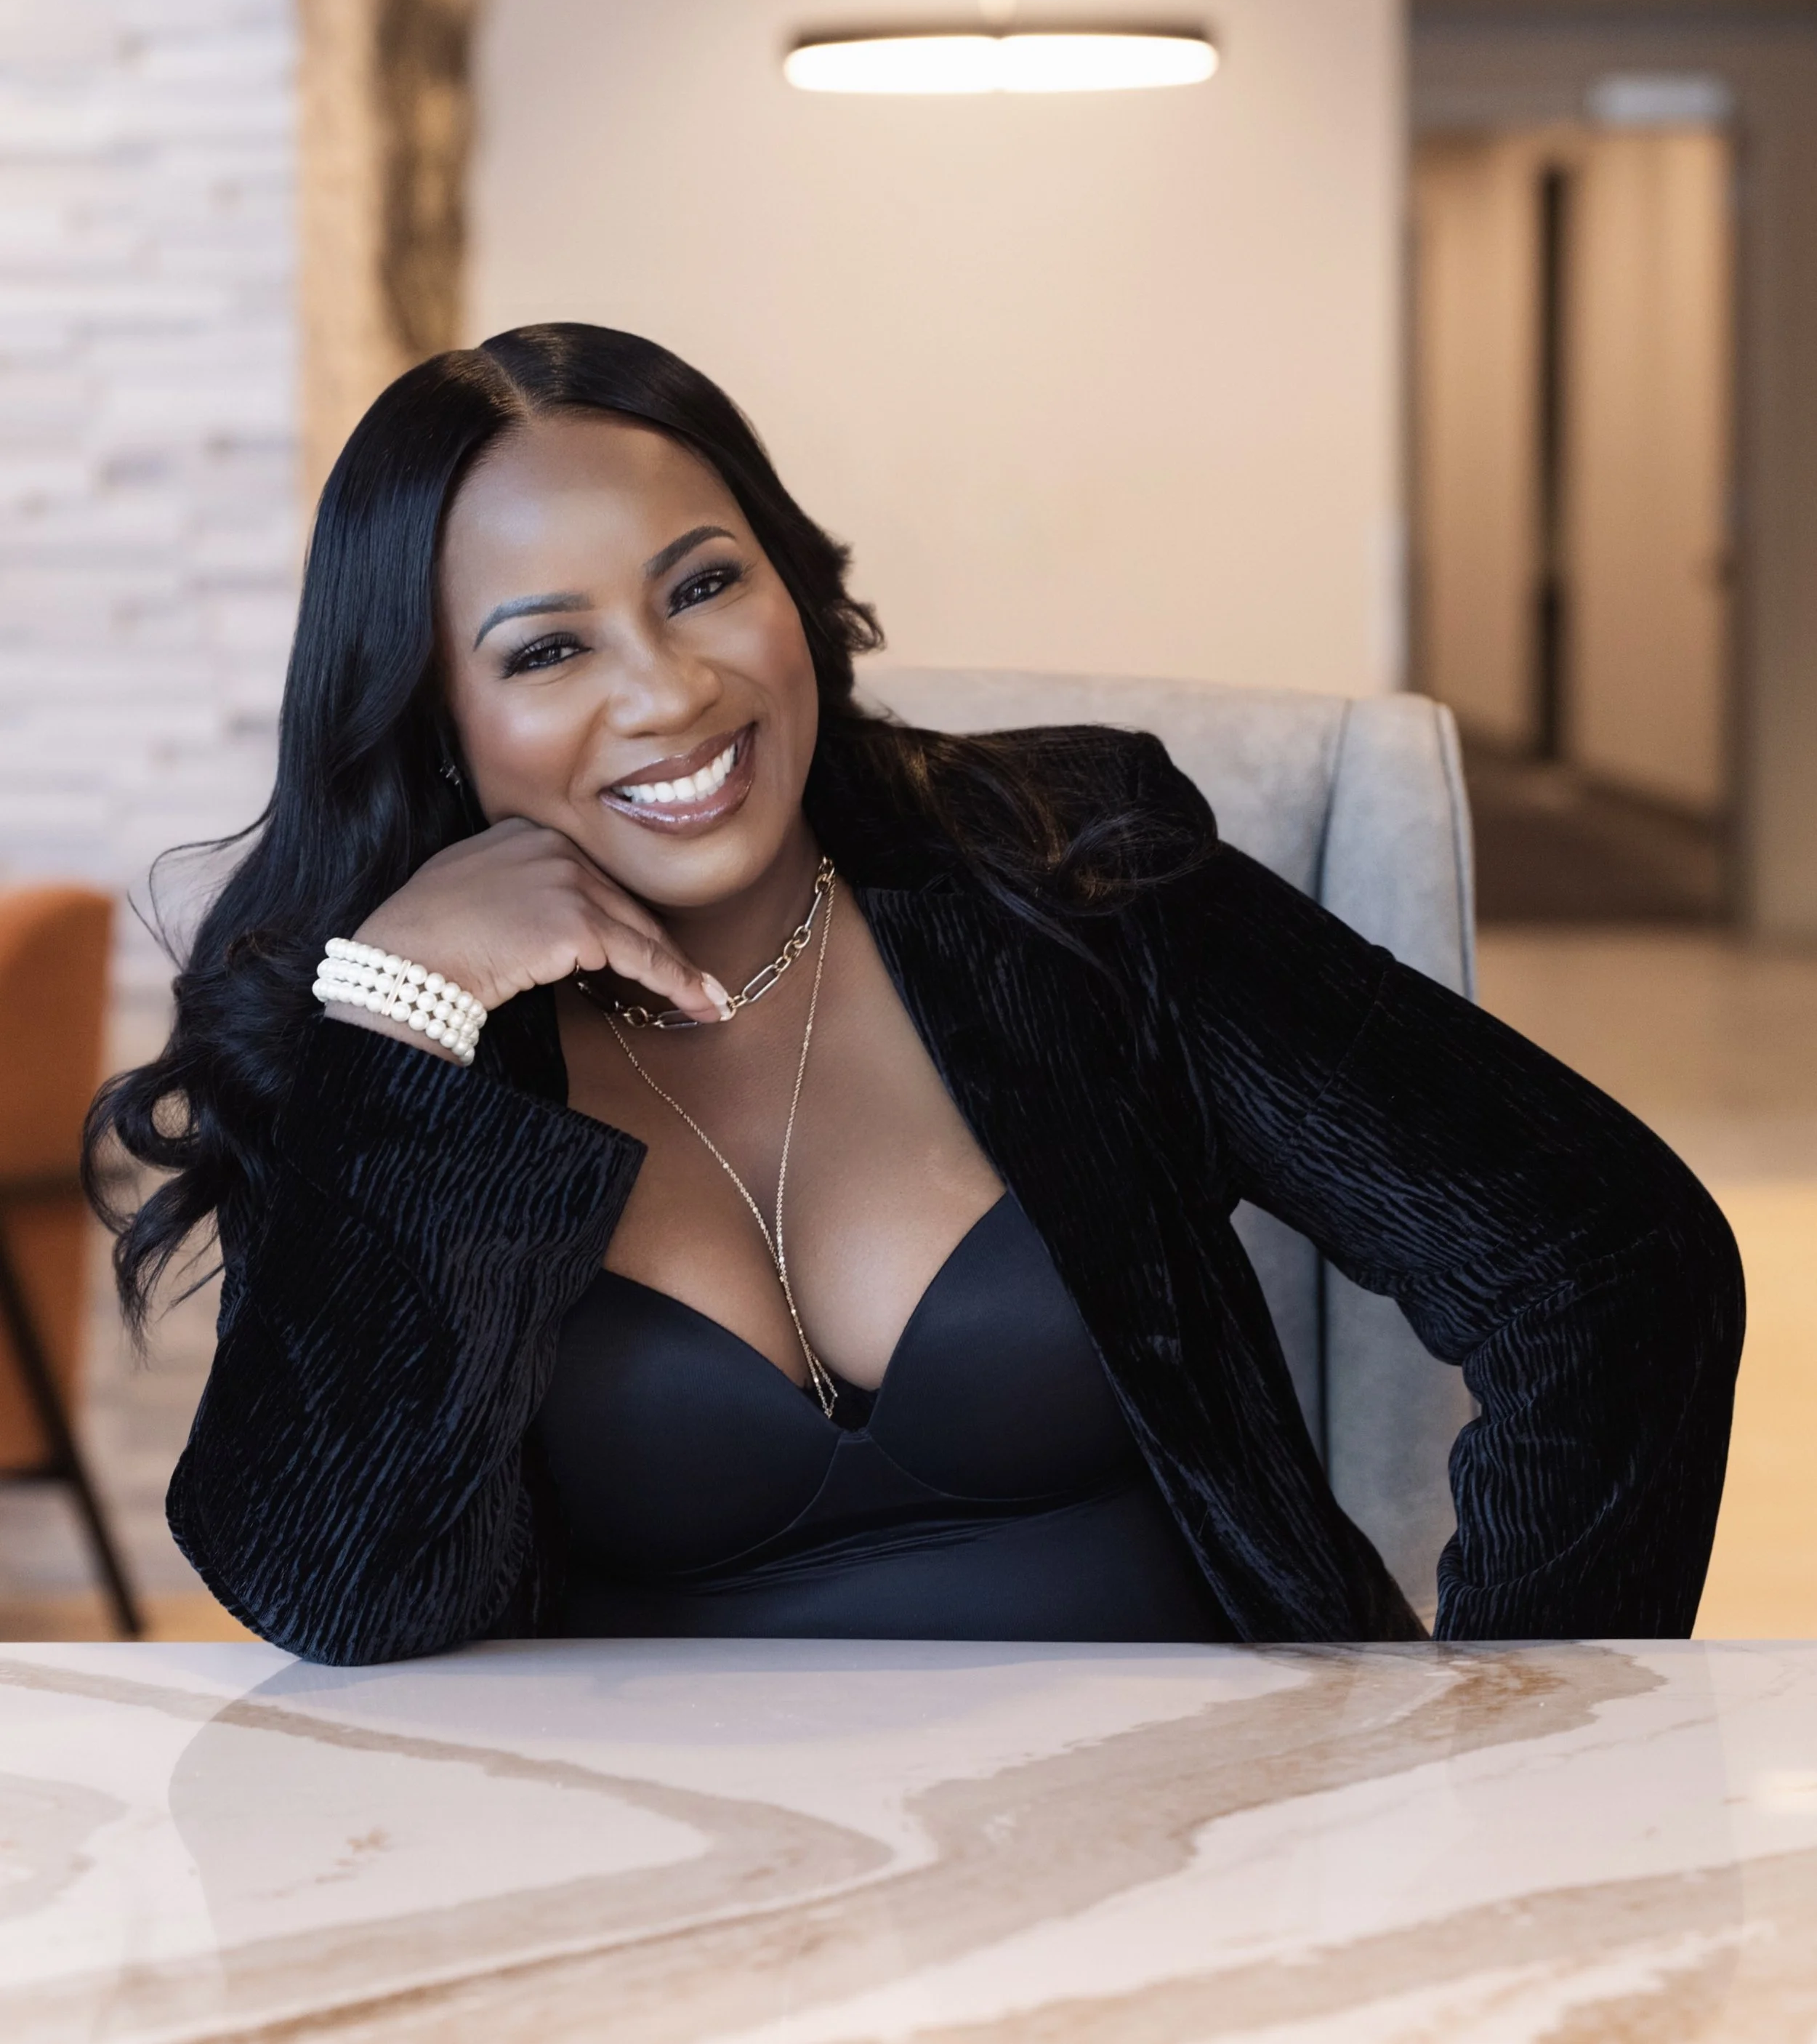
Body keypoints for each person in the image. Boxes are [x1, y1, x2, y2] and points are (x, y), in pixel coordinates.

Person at [85, 324, 1744, 1667]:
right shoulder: (386, 1025)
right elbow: (337, 1594)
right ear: (435, 720)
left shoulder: (1070, 876)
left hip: (1208, 1877)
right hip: (663, 1928)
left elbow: (1603, 1265)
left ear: (791, 584)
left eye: (701, 583)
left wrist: (1517, 1734)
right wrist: (410, 1017)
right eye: (545, 651)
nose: (669, 692)